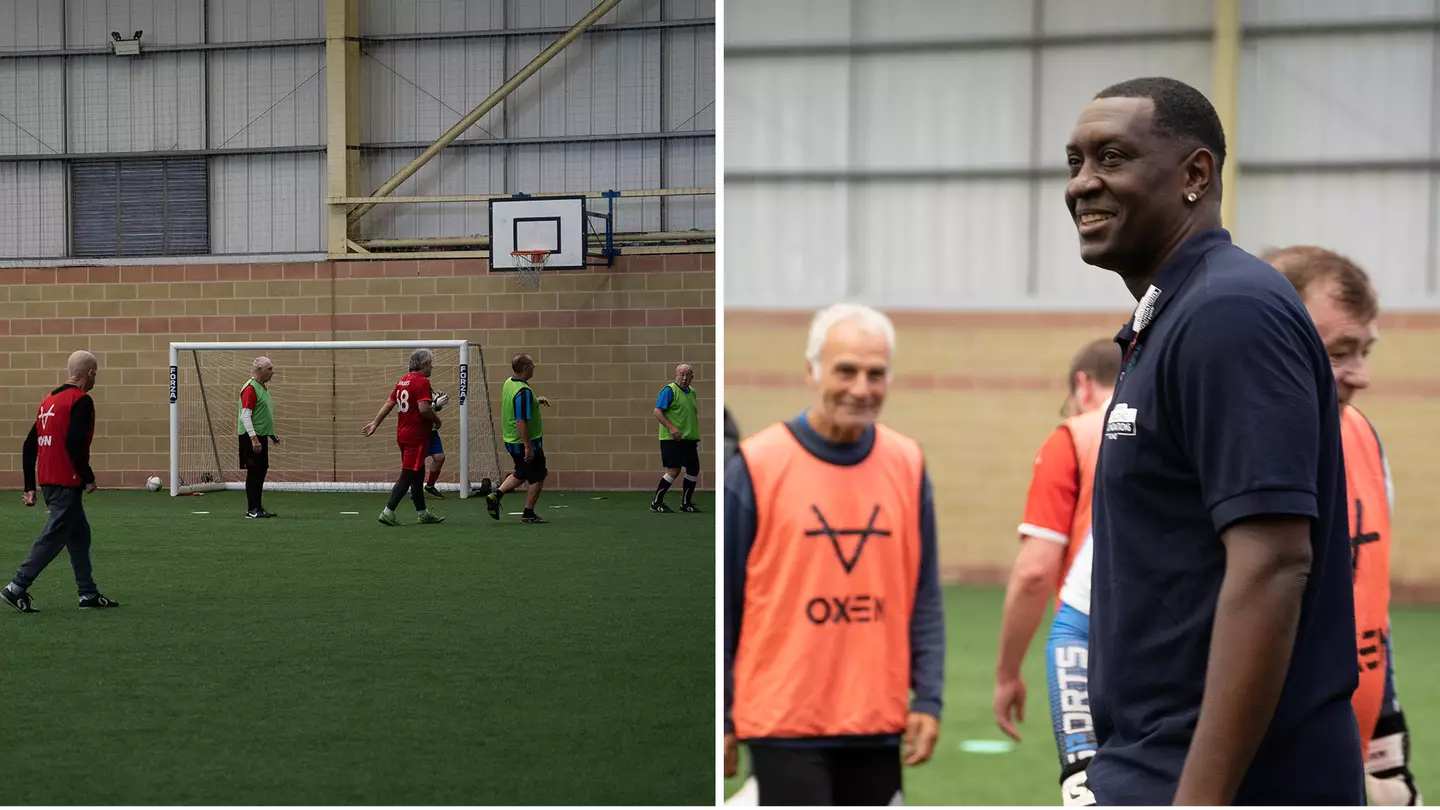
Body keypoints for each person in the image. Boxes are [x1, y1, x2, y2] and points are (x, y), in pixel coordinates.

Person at [1065, 76, 1363, 808]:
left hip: (1228, 787)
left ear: (1196, 174)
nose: (1082, 184)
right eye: (1073, 162)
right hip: (1153, 768)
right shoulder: (1172, 318)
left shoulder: (1230, 312)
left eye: (1111, 157)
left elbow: (1272, 564)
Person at [724, 302, 945, 810]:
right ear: (812, 370)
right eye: (846, 369)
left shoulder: (907, 465)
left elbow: (924, 593)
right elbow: (727, 603)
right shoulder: (757, 466)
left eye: (876, 373)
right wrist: (726, 715)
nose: (861, 388)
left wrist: (928, 696)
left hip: (875, 719)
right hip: (783, 719)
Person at [1263, 245, 1424, 810]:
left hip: (1335, 767)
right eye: (1340, 353)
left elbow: (1368, 601)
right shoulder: (1206, 446)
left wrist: (1386, 743)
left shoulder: (1362, 438)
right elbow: (1085, 618)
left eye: (1366, 350)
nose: (1363, 376)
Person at [991, 338, 1119, 810]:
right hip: (1180, 648)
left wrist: (1007, 672)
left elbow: (1034, 572)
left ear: (1082, 385)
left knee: (1090, 796)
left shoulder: (1075, 436)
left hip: (1087, 639)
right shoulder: (1180, 420)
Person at [1, 351, 119, 613]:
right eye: (95, 373)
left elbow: (29, 445)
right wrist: (88, 477)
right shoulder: (81, 401)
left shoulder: (48, 402)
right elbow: (74, 444)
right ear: (90, 373)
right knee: (53, 537)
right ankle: (16, 587)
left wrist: (29, 486)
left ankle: (87, 594)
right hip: (67, 481)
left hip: (49, 482)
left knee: (79, 536)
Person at [361, 348, 446, 526]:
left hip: (403, 434)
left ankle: (423, 513)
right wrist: (437, 420)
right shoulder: (422, 382)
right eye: (430, 364)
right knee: (408, 475)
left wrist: (375, 423)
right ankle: (387, 512)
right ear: (423, 365)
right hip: (417, 436)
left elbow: (389, 404)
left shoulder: (403, 380)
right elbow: (424, 409)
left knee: (418, 473)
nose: (432, 368)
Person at [486, 353, 551, 524]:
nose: (534, 368)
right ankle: (528, 513)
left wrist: (536, 401)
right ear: (525, 368)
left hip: (511, 440)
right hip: (524, 443)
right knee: (538, 475)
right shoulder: (523, 392)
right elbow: (520, 420)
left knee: (521, 472)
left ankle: (496, 495)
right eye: (532, 365)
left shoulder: (510, 383)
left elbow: (518, 405)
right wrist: (528, 447)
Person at [651, 363, 702, 513]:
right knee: (674, 470)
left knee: (693, 469)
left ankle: (686, 503)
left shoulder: (692, 392)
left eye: (688, 375)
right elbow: (657, 412)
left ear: (692, 376)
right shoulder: (669, 391)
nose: (685, 378)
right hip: (672, 438)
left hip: (689, 439)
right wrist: (672, 428)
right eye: (682, 374)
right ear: (676, 375)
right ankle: (656, 502)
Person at [237, 356, 279, 519]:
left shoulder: (262, 387)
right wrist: (254, 438)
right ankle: (251, 509)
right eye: (269, 368)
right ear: (259, 370)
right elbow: (245, 416)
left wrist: (271, 435)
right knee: (254, 473)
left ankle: (257, 507)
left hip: (260, 437)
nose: (272, 371)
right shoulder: (250, 389)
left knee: (261, 471)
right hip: (251, 438)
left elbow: (262, 415)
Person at [422, 387, 451, 499]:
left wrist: (437, 405)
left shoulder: (427, 386)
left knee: (439, 457)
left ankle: (430, 485)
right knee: (418, 462)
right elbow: (420, 409)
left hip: (432, 432)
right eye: (428, 367)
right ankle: (416, 490)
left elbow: (431, 409)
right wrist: (434, 404)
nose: (431, 368)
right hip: (420, 431)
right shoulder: (415, 387)